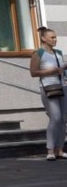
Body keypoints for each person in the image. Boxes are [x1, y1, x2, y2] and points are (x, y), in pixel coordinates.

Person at [29, 26, 67, 160]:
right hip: (48, 87)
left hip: (63, 86)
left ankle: (60, 149)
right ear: (43, 38)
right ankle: (50, 150)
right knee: (55, 118)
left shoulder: (58, 52)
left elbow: (61, 70)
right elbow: (33, 72)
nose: (55, 39)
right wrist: (52, 71)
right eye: (52, 37)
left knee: (63, 119)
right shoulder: (38, 53)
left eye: (55, 37)